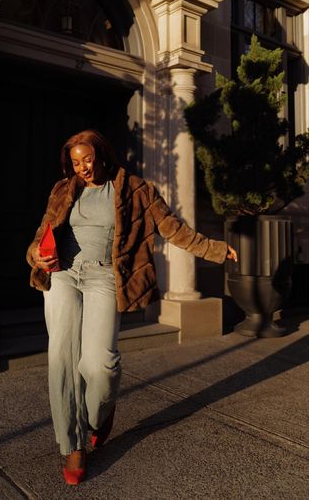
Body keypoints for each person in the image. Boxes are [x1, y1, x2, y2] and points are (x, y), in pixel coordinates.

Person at [26, 129, 237, 485]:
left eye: (88, 159)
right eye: (76, 162)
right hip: (63, 274)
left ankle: (99, 416)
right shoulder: (63, 189)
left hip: (105, 278)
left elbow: (174, 229)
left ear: (101, 154)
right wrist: (36, 253)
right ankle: (73, 445)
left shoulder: (136, 189)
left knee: (101, 365)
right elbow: (40, 236)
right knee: (61, 356)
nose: (83, 168)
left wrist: (214, 250)